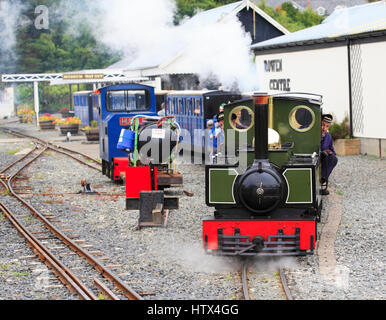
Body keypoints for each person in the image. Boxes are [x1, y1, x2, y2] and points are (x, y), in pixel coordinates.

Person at [320, 114, 338, 195]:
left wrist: (332, 154)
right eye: (323, 125)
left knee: (333, 159)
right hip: (313, 155)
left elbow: (331, 148)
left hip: (323, 156)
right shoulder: (313, 133)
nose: (324, 128)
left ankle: (322, 180)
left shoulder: (328, 136)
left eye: (327, 126)